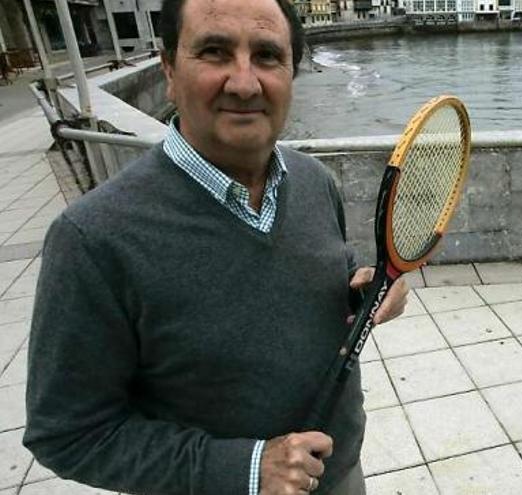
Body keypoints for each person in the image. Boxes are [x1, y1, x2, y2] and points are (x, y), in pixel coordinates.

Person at [23, 0, 408, 494]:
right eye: (214, 51)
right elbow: (68, 433)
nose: (245, 83)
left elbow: (326, 274)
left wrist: (367, 288)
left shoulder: (316, 181)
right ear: (168, 69)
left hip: (338, 475)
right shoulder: (92, 238)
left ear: (294, 71)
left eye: (267, 55)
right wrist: (246, 469)